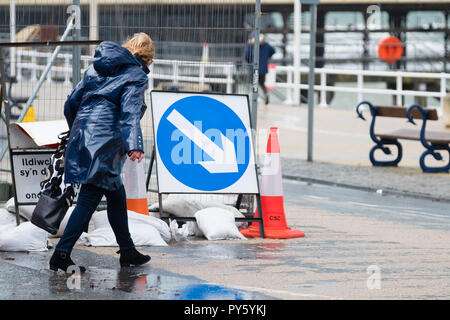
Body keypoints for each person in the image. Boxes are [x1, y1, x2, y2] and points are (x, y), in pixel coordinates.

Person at [49, 33, 154, 272]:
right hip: (105, 145)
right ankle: (61, 254)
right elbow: (130, 111)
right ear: (147, 60)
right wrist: (135, 143)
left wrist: (79, 130)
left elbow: (70, 104)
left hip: (84, 136)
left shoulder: (93, 70)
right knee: (88, 199)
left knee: (116, 194)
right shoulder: (136, 75)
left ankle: (127, 250)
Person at [244, 33, 275, 105]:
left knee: (254, 84)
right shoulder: (266, 44)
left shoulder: (250, 45)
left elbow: (246, 55)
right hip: (263, 68)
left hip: (253, 68)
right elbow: (273, 51)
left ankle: (255, 98)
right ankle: (265, 94)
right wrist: (266, 57)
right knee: (262, 83)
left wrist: (249, 62)